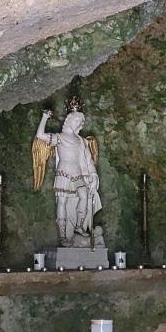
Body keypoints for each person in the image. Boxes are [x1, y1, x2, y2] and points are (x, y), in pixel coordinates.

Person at [32, 102, 102, 247]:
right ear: (69, 121)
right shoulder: (60, 137)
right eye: (77, 120)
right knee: (62, 201)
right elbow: (40, 135)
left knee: (84, 196)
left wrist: (94, 175)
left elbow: (89, 161)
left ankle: (79, 226)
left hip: (77, 172)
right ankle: (63, 236)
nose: (79, 124)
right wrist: (44, 118)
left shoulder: (82, 141)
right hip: (64, 171)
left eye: (81, 122)